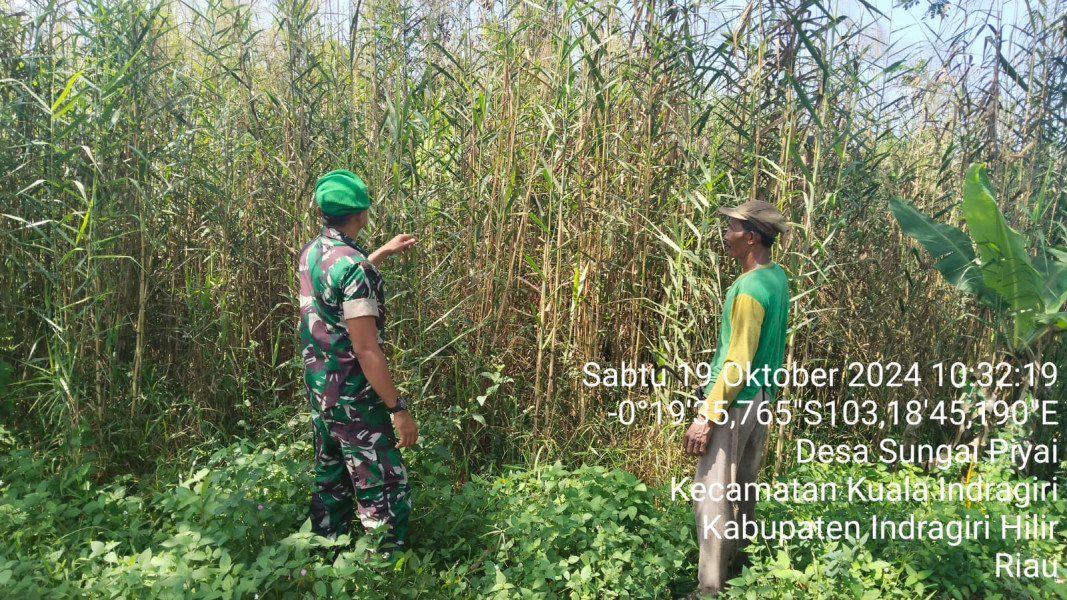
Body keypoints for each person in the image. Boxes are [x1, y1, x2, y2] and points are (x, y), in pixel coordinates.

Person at [297, 169, 419, 553]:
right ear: (362, 213)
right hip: (355, 398)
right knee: (383, 489)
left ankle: (323, 560)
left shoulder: (313, 252)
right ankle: (385, 571)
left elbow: (337, 291)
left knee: (330, 481)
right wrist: (397, 409)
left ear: (322, 210)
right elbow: (366, 349)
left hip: (322, 394)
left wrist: (380, 253)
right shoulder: (356, 268)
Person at [683, 199, 790, 597]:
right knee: (742, 491)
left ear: (750, 237)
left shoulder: (748, 290)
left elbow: (738, 358)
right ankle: (745, 571)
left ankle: (710, 589)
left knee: (712, 498)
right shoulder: (776, 277)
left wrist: (707, 415)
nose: (724, 235)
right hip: (760, 397)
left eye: (730, 229)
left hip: (735, 403)